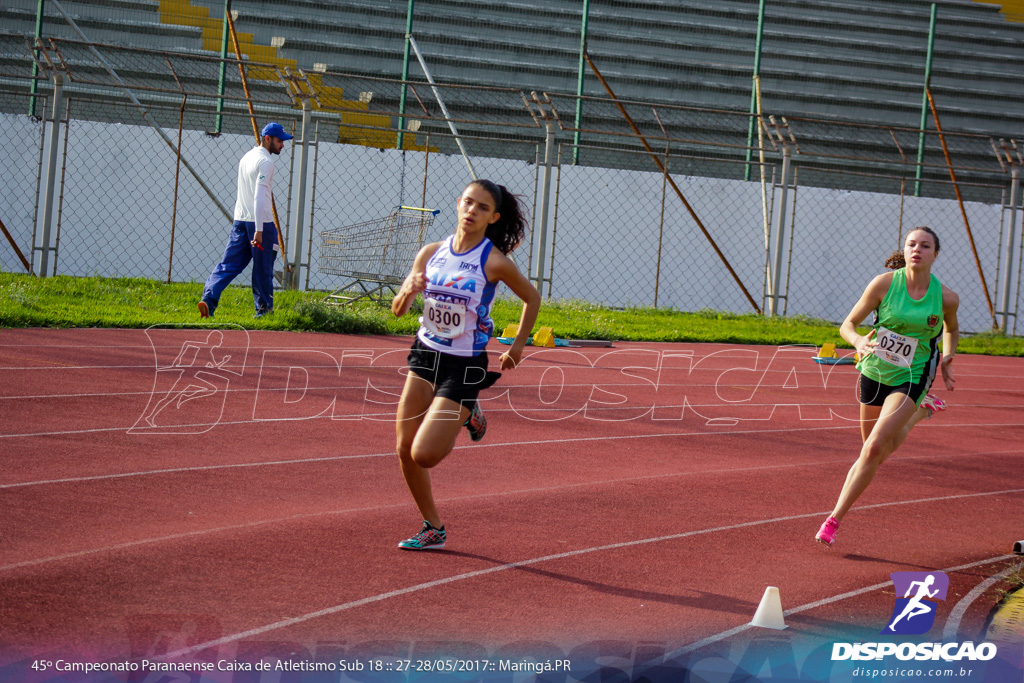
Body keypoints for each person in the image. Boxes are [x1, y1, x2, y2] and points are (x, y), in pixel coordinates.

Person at [390, 179, 541, 550]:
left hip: (464, 365)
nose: (472, 211)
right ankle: (433, 528)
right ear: (458, 204)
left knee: (425, 454)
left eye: (482, 207)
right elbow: (397, 311)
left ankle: (468, 408)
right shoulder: (430, 253)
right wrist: (408, 289)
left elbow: (531, 298)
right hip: (425, 354)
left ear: (493, 217)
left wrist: (518, 346)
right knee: (404, 449)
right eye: (468, 203)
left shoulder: (493, 262)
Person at [815, 227, 959, 547]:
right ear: (904, 250)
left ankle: (834, 519)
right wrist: (857, 342)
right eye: (911, 244)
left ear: (935, 254)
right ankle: (919, 413)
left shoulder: (946, 297)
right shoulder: (883, 284)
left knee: (875, 447)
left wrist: (948, 356)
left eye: (925, 245)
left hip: (913, 374)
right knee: (874, 451)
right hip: (875, 370)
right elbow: (847, 325)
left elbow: (951, 330)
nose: (917, 249)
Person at [198, 122, 293, 319]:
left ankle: (208, 299)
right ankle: (263, 310)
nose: (282, 145)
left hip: (240, 219)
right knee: (263, 267)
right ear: (267, 139)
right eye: (279, 141)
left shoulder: (246, 157)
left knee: (229, 264)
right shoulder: (266, 162)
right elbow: (259, 196)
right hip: (261, 223)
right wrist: (259, 229)